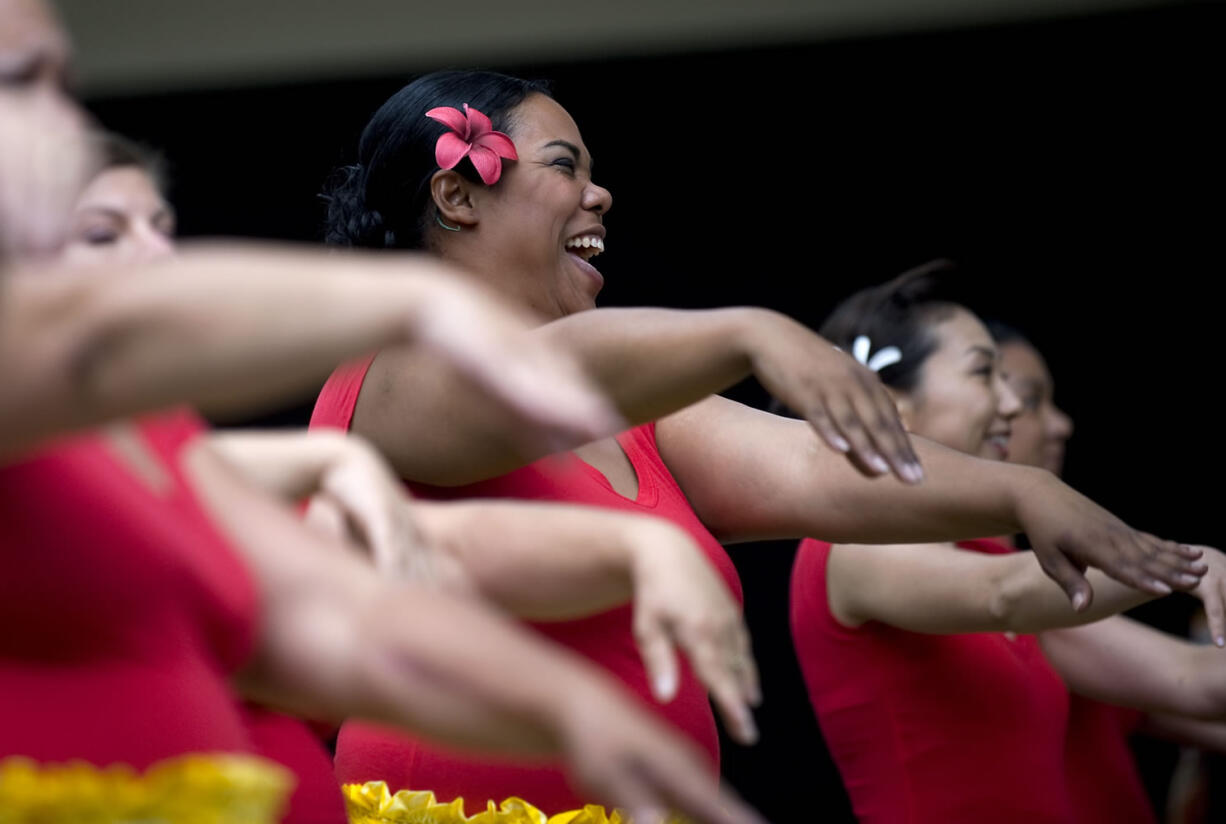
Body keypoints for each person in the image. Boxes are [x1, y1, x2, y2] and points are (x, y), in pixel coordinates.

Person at [309, 69, 1207, 816]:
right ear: (457, 194)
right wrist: (749, 330)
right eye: (564, 165)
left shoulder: (638, 419)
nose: (600, 193)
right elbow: (535, 369)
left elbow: (818, 469)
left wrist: (1019, 494)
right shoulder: (392, 372)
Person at [0, 5, 770, 822]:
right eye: (22, 80)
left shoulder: (148, 442)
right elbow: (92, 337)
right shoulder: (56, 366)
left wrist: (574, 711)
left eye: (64, 82)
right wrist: (418, 304)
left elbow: (335, 612)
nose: (68, 122)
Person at [787, 263, 1226, 823]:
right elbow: (1002, 595)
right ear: (892, 403)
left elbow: (1192, 682)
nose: (1012, 407)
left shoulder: (993, 562)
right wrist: (1181, 565)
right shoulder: (851, 546)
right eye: (983, 374)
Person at [994, 319, 1226, 824]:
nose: (1059, 424)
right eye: (1031, 400)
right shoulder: (1016, 588)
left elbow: (1196, 703)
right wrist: (1187, 564)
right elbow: (1192, 680)